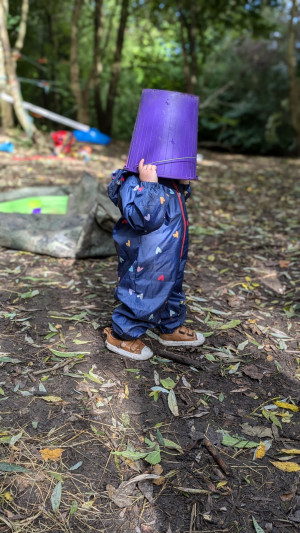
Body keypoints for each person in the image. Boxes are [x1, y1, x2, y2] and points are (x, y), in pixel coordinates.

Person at [104, 157, 205, 360]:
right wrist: (148, 184)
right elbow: (142, 218)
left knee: (172, 288)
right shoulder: (132, 180)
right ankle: (122, 335)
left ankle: (169, 326)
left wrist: (183, 184)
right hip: (146, 259)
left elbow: (175, 202)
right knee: (142, 291)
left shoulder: (169, 176)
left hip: (172, 253)